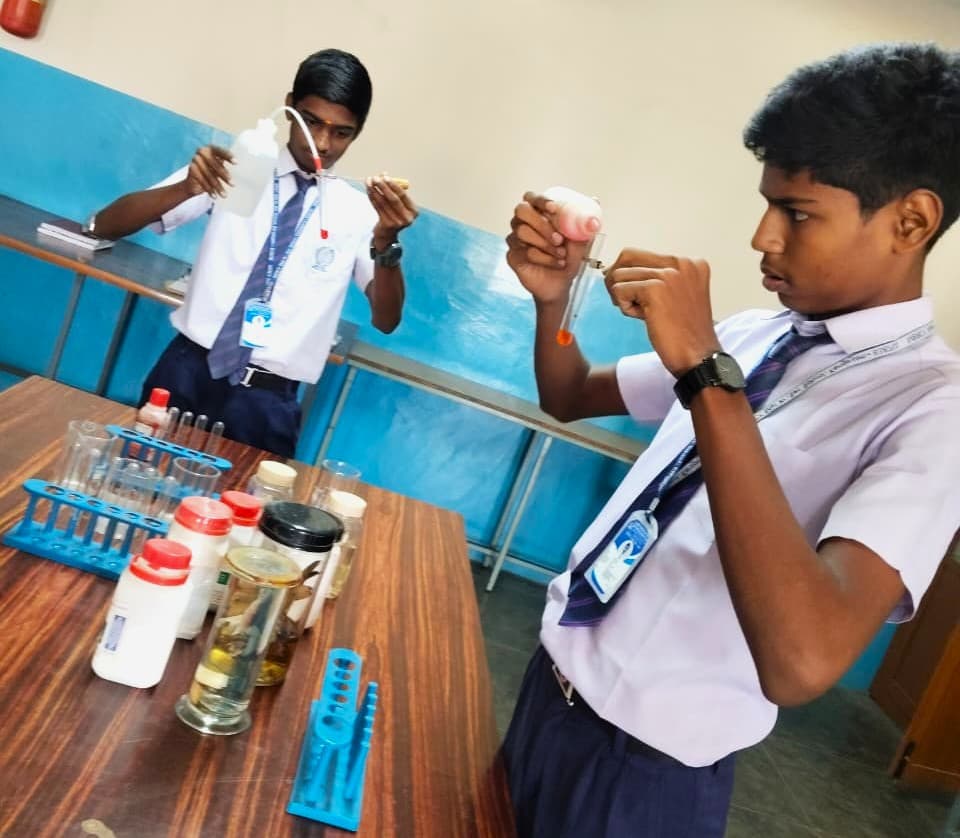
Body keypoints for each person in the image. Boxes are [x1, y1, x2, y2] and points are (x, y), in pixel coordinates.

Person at [503, 42, 960, 838]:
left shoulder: (931, 410)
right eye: (767, 204)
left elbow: (804, 660)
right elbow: (568, 394)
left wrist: (707, 376)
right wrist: (555, 301)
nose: (762, 237)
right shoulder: (755, 335)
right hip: (550, 693)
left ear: (910, 221)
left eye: (797, 212)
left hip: (646, 780)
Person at [92, 48, 418, 457]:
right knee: (140, 479)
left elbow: (386, 319)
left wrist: (386, 244)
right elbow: (105, 225)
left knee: (244, 501)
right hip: (185, 374)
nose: (322, 143)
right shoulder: (235, 169)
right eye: (311, 122)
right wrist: (187, 188)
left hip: (267, 405)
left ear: (357, 132)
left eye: (341, 133)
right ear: (289, 108)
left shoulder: (359, 214)